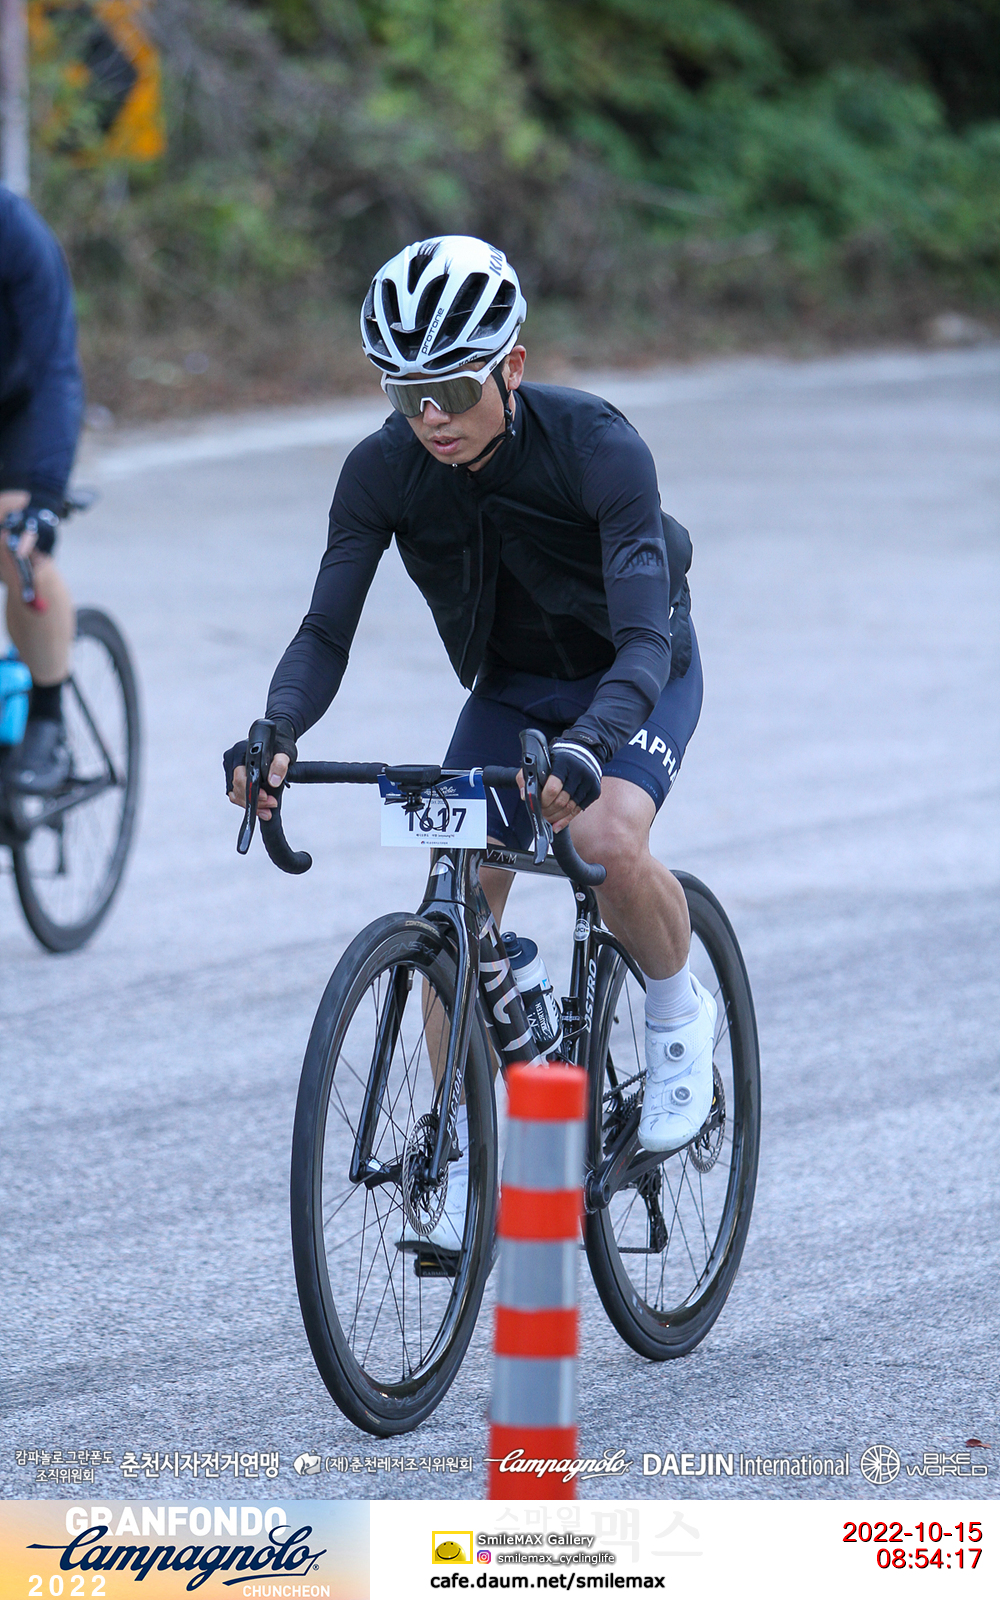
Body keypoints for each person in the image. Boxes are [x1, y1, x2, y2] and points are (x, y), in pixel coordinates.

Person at [226, 234, 714, 1241]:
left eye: (451, 388)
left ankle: (679, 1020)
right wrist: (277, 728)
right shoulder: (382, 470)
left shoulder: (599, 446)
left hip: (633, 673)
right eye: (406, 394)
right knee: (456, 891)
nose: (431, 418)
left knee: (603, 839)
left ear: (512, 367)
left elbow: (640, 642)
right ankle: (452, 1142)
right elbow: (325, 632)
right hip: (513, 688)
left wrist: (590, 748)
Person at [0, 185, 84, 792]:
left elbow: (56, 365)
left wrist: (45, 497)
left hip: (20, 406)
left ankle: (49, 720)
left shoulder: (14, 230)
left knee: (15, 538)